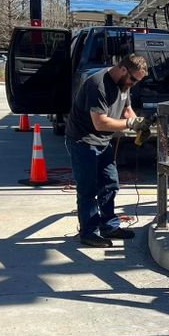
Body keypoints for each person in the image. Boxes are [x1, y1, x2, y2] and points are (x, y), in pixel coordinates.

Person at [65, 54, 148, 248]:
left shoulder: (124, 85)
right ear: (123, 69)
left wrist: (139, 125)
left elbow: (127, 110)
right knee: (88, 189)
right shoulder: (97, 84)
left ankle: (109, 226)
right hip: (82, 141)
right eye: (133, 79)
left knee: (110, 183)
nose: (134, 84)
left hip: (103, 142)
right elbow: (100, 122)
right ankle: (89, 232)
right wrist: (129, 124)